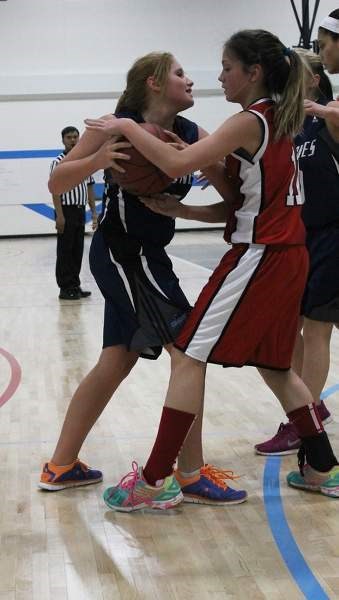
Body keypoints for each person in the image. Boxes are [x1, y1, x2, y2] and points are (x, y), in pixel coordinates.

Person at [84, 28, 339, 511]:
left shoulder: (252, 120)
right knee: (278, 365)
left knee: (188, 352)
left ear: (253, 73)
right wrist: (183, 213)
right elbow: (245, 205)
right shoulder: (283, 122)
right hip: (288, 253)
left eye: (226, 67)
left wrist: (130, 127)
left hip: (260, 255)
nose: (219, 76)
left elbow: (179, 164)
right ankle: (324, 466)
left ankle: (156, 480)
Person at [40, 52, 247, 506]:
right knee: (191, 353)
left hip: (149, 254)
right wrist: (98, 161)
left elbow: (233, 196)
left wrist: (196, 163)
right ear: (153, 83)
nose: (191, 80)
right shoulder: (112, 124)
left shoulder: (192, 134)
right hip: (123, 252)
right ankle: (189, 475)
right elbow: (58, 181)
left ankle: (60, 464)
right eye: (179, 73)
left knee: (117, 359)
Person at [255, 47, 339, 456]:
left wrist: (322, 110)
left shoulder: (329, 114)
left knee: (316, 328)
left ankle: (307, 414)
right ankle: (308, 410)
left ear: (313, 80)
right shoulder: (296, 125)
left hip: (335, 233)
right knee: (307, 328)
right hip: (308, 236)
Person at [50, 126, 98, 300]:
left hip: (80, 211)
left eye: (75, 137)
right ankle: (65, 287)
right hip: (66, 210)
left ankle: (75, 285)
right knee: (65, 250)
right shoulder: (58, 162)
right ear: (63, 140)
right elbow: (55, 190)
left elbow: (90, 187)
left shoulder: (85, 160)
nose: (73, 140)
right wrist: (60, 215)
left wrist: (93, 213)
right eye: (69, 137)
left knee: (77, 250)